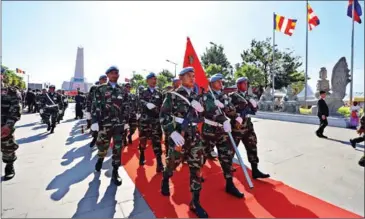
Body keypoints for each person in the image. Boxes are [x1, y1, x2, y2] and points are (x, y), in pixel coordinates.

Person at [160, 67, 208, 218]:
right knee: (172, 163)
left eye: (193, 76)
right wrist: (172, 132)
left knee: (196, 167)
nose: (193, 78)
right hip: (179, 135)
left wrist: (200, 111)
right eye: (189, 76)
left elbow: (201, 118)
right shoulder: (172, 95)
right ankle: (166, 178)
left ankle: (195, 201)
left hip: (194, 136)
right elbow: (163, 116)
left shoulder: (197, 96)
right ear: (181, 78)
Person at [201, 74, 244, 198]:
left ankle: (229, 184)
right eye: (217, 81)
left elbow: (230, 109)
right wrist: (222, 118)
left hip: (223, 131)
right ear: (211, 83)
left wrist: (236, 116)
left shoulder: (224, 95)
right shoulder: (207, 95)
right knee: (203, 154)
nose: (220, 83)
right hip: (210, 130)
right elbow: (208, 111)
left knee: (226, 157)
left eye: (221, 81)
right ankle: (197, 175)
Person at [91, 66, 129, 186]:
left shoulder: (122, 90)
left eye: (117, 73)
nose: (115, 75)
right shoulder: (100, 89)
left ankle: (115, 171)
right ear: (107, 75)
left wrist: (126, 122)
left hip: (119, 124)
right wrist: (94, 121)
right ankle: (100, 159)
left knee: (118, 148)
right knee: (103, 145)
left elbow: (126, 106)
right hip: (105, 123)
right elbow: (96, 105)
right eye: (112, 73)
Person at [228, 77, 270, 179]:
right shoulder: (232, 96)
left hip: (248, 124)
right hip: (237, 126)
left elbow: (254, 109)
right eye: (243, 84)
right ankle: (228, 170)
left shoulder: (248, 96)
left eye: (247, 84)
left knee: (252, 146)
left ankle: (255, 170)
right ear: (238, 85)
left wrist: (255, 105)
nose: (246, 86)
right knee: (231, 149)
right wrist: (236, 117)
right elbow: (227, 109)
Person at [138, 73, 164, 172]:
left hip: (156, 121)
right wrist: (146, 104)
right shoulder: (143, 92)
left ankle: (159, 162)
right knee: (143, 140)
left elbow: (162, 106)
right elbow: (139, 101)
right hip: (145, 121)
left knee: (157, 141)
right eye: (152, 79)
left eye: (155, 79)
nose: (154, 81)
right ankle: (142, 154)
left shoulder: (159, 93)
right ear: (147, 81)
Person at [1, 77, 22, 180]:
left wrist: (8, 125)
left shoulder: (11, 92)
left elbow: (16, 108)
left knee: (7, 148)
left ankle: (9, 166)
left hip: (4, 126)